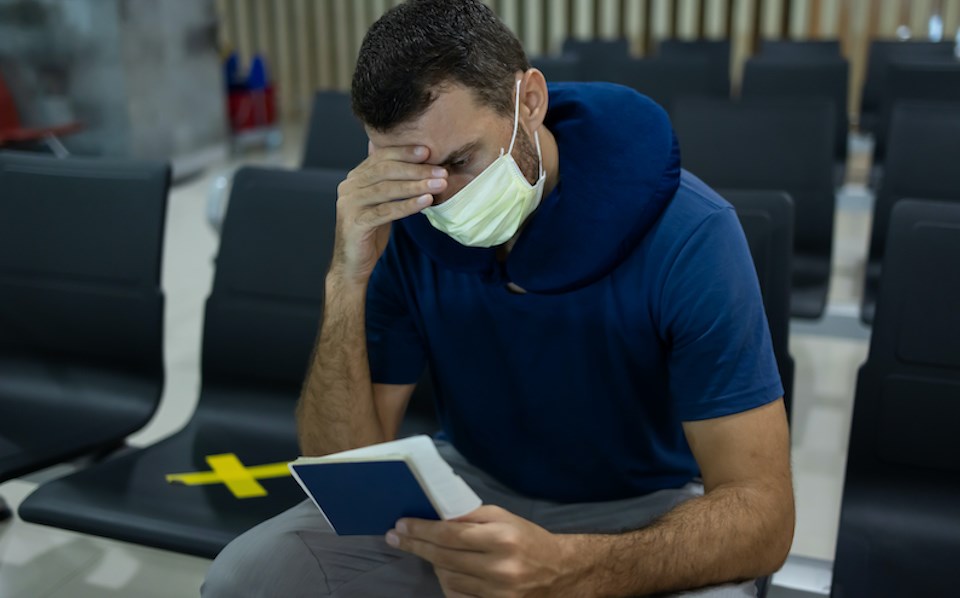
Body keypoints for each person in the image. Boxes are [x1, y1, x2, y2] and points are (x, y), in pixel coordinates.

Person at [203, 1, 794, 596]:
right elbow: (350, 474)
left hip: (641, 509)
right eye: (412, 172)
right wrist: (344, 279)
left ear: (529, 102)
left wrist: (571, 566)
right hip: (466, 492)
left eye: (462, 161)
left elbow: (763, 515)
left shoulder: (691, 233)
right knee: (247, 575)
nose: (441, 198)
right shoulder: (407, 225)